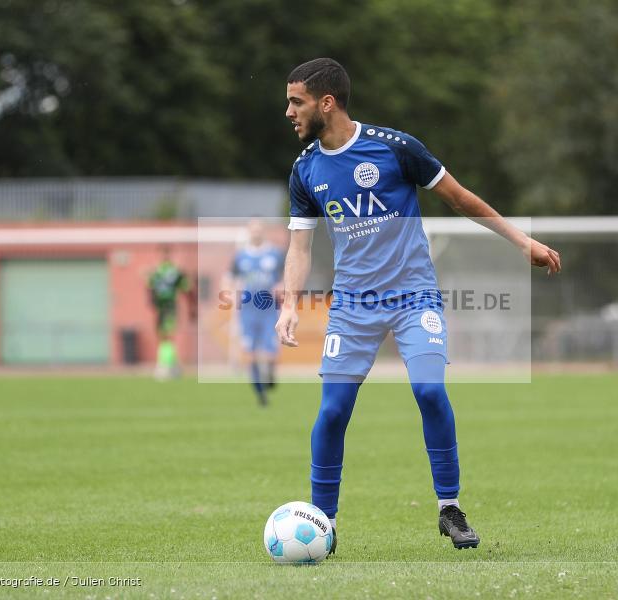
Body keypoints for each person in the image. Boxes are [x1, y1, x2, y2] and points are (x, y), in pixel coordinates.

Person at [275, 58, 561, 554]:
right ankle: (325, 520)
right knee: (333, 410)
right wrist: (289, 303)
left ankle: (449, 507)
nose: (288, 111)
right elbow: (299, 247)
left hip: (413, 295)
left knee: (429, 391)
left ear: (327, 103)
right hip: (352, 306)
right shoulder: (305, 170)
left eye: (296, 101)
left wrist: (521, 242)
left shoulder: (395, 148)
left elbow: (461, 199)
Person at [224, 219, 285, 406]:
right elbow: (230, 280)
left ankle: (270, 373)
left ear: (263, 231)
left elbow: (284, 277)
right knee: (249, 353)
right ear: (249, 232)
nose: (256, 233)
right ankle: (261, 395)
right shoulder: (241, 257)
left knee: (270, 352)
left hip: (268, 308)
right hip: (248, 309)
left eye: (259, 229)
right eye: (253, 230)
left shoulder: (275, 254)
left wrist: (282, 291)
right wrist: (231, 301)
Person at [148, 246, 195, 380]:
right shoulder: (156, 272)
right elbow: (150, 288)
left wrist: (192, 308)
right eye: (162, 254)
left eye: (166, 253)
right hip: (160, 307)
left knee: (168, 334)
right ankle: (171, 365)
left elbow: (187, 288)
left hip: (170, 306)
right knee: (162, 334)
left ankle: (166, 365)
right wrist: (152, 302)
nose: (164, 256)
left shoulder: (175, 272)